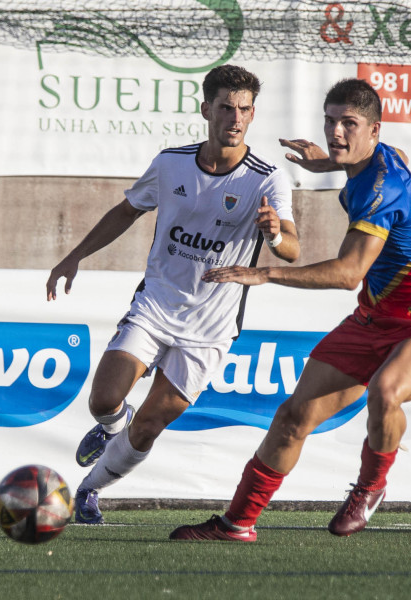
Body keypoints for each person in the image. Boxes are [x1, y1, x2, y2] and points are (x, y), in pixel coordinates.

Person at [170, 78, 411, 541]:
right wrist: (324, 161)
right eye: (331, 122)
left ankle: (370, 487)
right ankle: (237, 523)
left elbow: (349, 272)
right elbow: (399, 158)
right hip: (374, 316)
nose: (337, 132)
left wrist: (265, 273)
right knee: (292, 418)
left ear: (373, 129)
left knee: (386, 391)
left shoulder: (378, 191)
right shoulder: (382, 156)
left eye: (349, 124)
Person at [46, 64, 300, 524]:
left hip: (210, 330)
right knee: (104, 400)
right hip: (155, 307)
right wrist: (74, 256)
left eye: (244, 110)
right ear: (206, 109)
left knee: (149, 426)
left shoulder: (267, 178)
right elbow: (126, 211)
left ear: (253, 114)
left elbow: (293, 248)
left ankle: (89, 489)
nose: (235, 118)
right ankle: (110, 428)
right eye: (226, 108)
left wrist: (276, 237)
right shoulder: (171, 163)